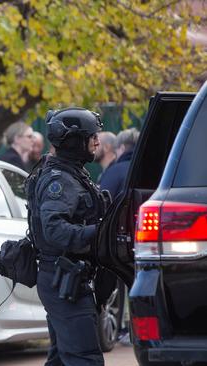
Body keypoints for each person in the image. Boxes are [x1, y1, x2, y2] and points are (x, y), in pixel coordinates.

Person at [27, 107, 107, 365]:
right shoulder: (59, 181)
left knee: (62, 358)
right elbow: (55, 231)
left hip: (67, 277)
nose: (97, 141)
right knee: (85, 359)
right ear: (73, 141)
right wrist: (99, 233)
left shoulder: (73, 174)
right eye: (91, 136)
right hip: (63, 278)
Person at [100, 128, 139, 199]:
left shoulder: (115, 171)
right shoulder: (147, 169)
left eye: (115, 151)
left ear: (122, 148)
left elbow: (102, 202)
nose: (115, 156)